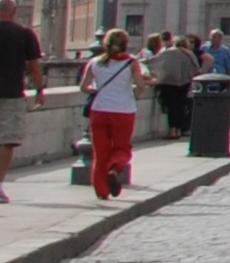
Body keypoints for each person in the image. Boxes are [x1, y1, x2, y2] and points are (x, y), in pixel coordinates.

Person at [0, 0, 42, 203]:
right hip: (11, 94)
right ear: (15, 12)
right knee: (6, 142)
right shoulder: (25, 34)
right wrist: (39, 89)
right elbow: (34, 66)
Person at [82, 30, 143, 200]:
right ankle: (115, 169)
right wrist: (134, 95)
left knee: (100, 153)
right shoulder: (131, 62)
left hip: (99, 111)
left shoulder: (94, 62)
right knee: (122, 147)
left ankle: (102, 191)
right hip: (123, 111)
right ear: (125, 43)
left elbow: (84, 87)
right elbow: (140, 85)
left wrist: (94, 89)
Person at [150, 31, 196, 140]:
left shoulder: (169, 52)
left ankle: (172, 130)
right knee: (181, 106)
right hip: (185, 82)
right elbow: (196, 68)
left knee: (172, 107)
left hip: (169, 82)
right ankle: (179, 130)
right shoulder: (189, 53)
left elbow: (154, 61)